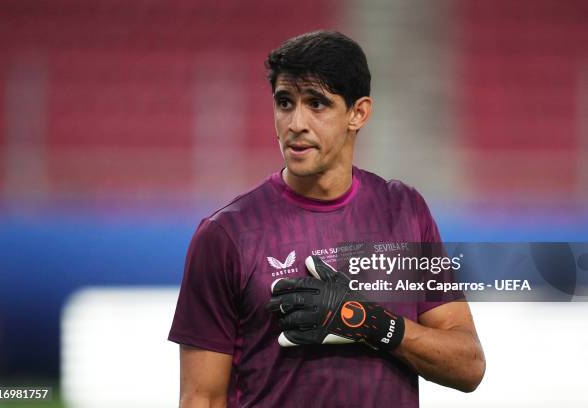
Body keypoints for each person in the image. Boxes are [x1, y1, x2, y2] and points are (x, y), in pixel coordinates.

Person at [169, 30, 485, 407]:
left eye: (316, 104)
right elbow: (201, 398)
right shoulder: (225, 235)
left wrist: (365, 321)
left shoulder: (405, 211)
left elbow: (468, 365)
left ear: (358, 113)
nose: (295, 123)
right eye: (285, 103)